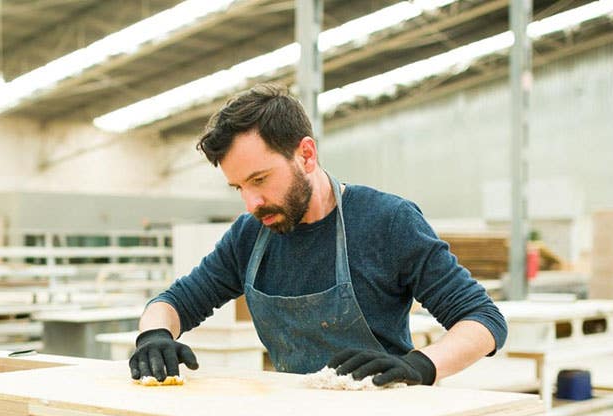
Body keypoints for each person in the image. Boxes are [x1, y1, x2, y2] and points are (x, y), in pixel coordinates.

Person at [129, 84, 506, 386]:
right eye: (238, 187)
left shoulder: (387, 222)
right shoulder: (250, 235)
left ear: (306, 155)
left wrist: (421, 366)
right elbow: (174, 302)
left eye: (259, 180)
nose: (251, 203)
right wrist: (154, 336)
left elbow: (483, 319)